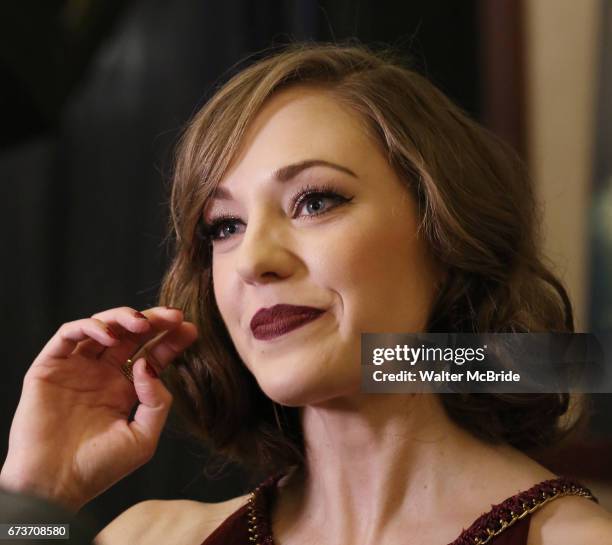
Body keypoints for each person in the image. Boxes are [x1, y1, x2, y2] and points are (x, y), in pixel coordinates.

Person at [2, 41, 612, 545]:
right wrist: (42, 495)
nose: (254, 262)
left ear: (445, 236)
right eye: (225, 226)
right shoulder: (152, 538)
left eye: (315, 202)